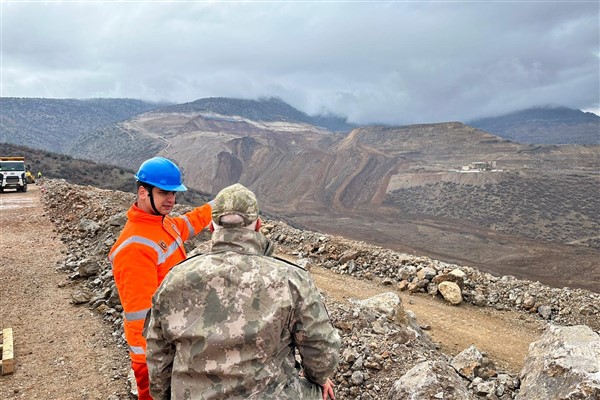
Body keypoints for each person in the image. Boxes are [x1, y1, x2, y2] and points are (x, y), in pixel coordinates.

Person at [144, 183, 341, 400]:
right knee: (321, 392)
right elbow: (322, 349)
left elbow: (158, 355)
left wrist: (163, 396)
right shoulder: (292, 280)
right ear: (258, 225)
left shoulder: (174, 279)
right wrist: (319, 377)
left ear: (211, 228)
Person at [109, 156, 213, 400]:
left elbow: (190, 222)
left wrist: (219, 205)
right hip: (154, 358)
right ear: (143, 192)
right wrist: (154, 364)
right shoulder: (134, 247)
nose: (171, 199)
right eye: (165, 192)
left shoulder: (161, 224)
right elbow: (141, 318)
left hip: (173, 340)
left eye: (174, 193)